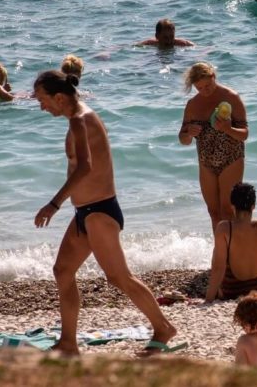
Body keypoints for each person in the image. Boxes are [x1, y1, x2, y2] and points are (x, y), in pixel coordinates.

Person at [31, 69, 178, 354]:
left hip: (99, 212)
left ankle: (164, 327)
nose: (41, 106)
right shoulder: (83, 116)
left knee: (119, 277)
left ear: (59, 97)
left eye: (42, 99)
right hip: (86, 211)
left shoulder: (79, 121)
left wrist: (53, 204)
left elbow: (85, 167)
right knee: (62, 271)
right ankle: (69, 343)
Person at [179, 62, 249, 229]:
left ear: (214, 77)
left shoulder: (231, 97)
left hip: (231, 159)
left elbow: (245, 134)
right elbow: (183, 139)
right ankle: (221, 250)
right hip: (206, 162)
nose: (205, 91)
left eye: (208, 85)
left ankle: (234, 251)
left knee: (228, 210)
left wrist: (227, 128)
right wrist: (188, 133)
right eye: (200, 88)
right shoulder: (192, 105)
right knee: (213, 211)